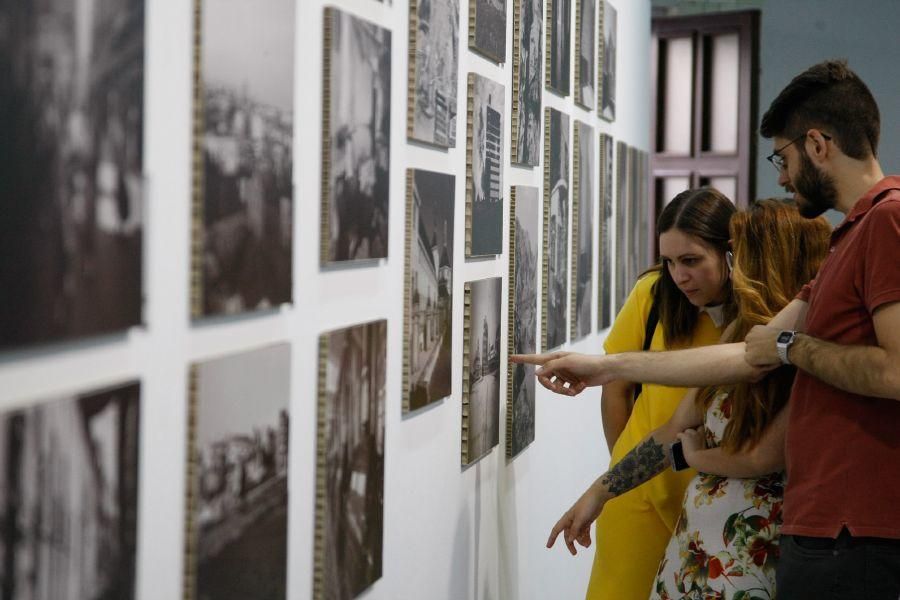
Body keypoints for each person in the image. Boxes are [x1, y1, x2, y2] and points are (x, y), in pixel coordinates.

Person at [514, 60, 900, 599]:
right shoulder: (849, 239)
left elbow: (892, 371)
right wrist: (607, 367)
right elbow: (745, 358)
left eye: (782, 158)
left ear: (817, 144)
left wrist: (790, 348)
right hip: (809, 531)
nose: (782, 177)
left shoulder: (886, 219)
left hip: (850, 533)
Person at [538, 200, 830, 599]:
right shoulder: (740, 334)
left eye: (737, 253)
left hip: (747, 550)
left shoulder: (800, 344)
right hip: (695, 541)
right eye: (671, 262)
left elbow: (763, 455)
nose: (679, 276)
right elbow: (672, 426)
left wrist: (694, 457)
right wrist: (600, 491)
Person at [588, 187, 737, 600]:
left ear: (730, 252)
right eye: (670, 261)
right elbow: (615, 388)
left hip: (716, 497)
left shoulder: (754, 314)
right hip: (641, 494)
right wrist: (623, 461)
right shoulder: (652, 294)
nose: (679, 275)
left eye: (691, 260)